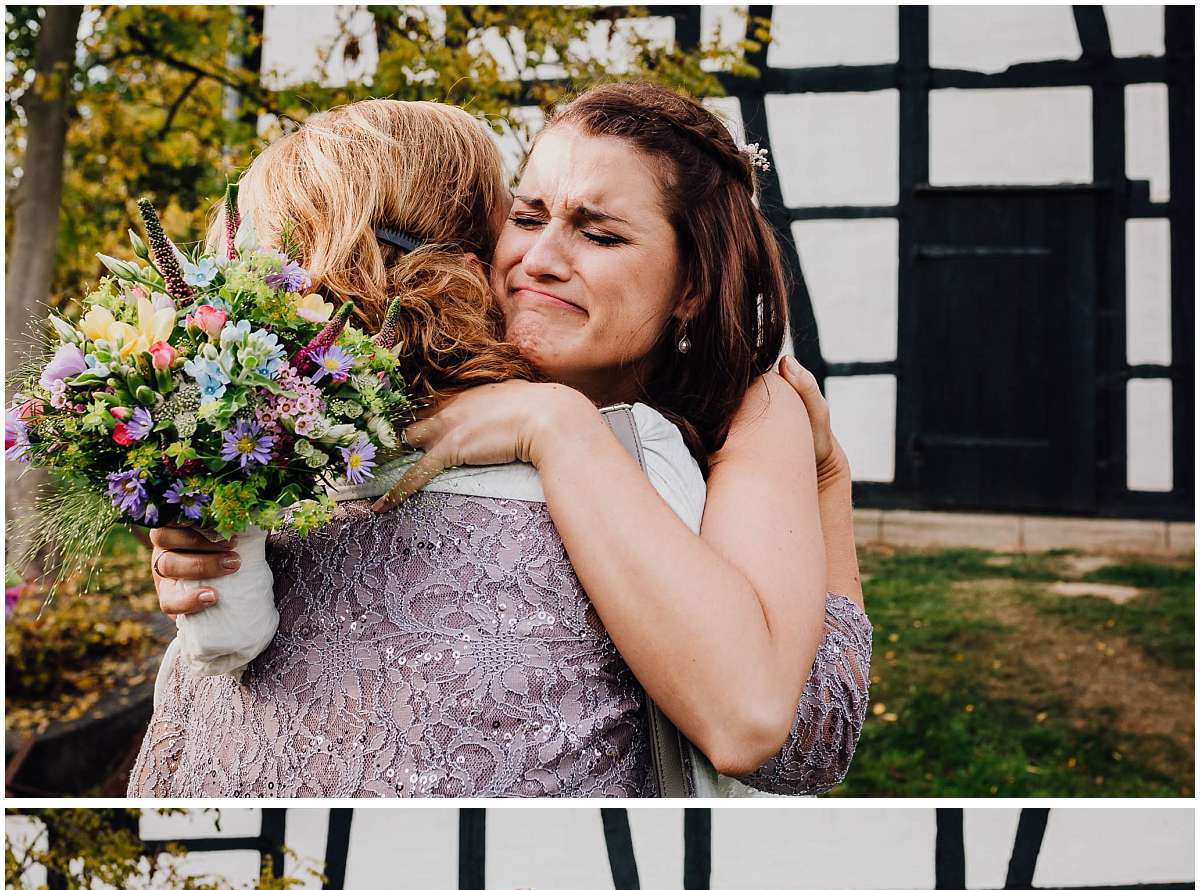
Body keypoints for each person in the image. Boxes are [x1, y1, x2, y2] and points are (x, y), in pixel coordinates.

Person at [130, 85, 870, 799]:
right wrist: (201, 535)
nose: (539, 259)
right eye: (526, 216)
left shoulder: (750, 413)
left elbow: (790, 733)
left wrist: (556, 424)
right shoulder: (364, 420)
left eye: (600, 232)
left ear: (691, 286)